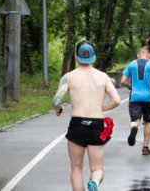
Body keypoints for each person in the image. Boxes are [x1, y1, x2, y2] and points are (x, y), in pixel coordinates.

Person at [51, 40, 121, 191]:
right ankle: (94, 183)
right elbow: (116, 100)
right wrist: (102, 108)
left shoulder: (68, 77)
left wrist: (58, 108)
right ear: (94, 57)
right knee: (97, 168)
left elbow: (56, 100)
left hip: (77, 125)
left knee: (76, 168)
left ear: (76, 56)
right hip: (96, 125)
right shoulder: (103, 77)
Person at [121, 48, 150, 155]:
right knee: (148, 122)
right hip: (148, 97)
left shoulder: (131, 64)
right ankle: (145, 147)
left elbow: (122, 81)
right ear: (149, 55)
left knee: (135, 119)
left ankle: (134, 127)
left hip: (135, 97)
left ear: (138, 55)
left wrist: (129, 86)